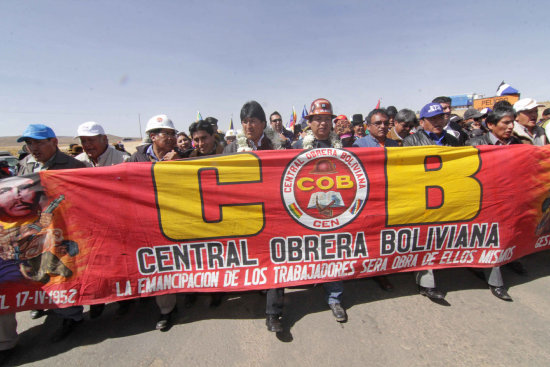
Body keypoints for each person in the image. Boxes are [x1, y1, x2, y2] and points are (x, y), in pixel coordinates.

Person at [15, 124, 87, 343]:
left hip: (64, 227)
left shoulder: (73, 166)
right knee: (35, 268)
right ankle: (45, 302)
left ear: (54, 142)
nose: (33, 147)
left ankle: (72, 316)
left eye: (38, 142)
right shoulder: (24, 165)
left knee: (64, 270)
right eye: (29, 143)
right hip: (33, 229)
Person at [222, 101, 285, 333]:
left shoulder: (278, 146)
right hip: (246, 215)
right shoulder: (230, 149)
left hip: (273, 213)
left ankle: (273, 314)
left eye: (253, 121)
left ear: (263, 124)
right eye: (245, 122)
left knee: (276, 261)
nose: (248, 126)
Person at [291, 98, 348, 323]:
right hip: (306, 210)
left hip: (335, 211)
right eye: (317, 119)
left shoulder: (343, 148)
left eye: (326, 119)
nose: (322, 124)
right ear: (310, 123)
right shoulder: (296, 147)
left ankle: (335, 297)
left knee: (334, 252)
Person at [127, 114, 182, 330]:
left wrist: (178, 166)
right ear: (152, 137)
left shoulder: (182, 156)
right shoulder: (135, 159)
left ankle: (167, 310)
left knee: (165, 264)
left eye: (172, 134)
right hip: (144, 221)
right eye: (165, 134)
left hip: (172, 220)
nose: (170, 138)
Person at [403, 103, 460, 301]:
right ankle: (427, 284)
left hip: (448, 197)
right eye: (433, 119)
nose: (438, 122)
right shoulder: (410, 141)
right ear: (422, 122)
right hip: (423, 198)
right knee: (424, 240)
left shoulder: (454, 140)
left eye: (441, 118)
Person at [466, 107, 521, 300]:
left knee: (510, 233)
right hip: (486, 200)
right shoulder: (475, 144)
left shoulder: (518, 143)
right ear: (490, 125)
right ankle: (496, 282)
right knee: (491, 239)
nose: (510, 127)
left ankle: (511, 260)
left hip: (511, 199)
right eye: (505, 123)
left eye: (512, 122)